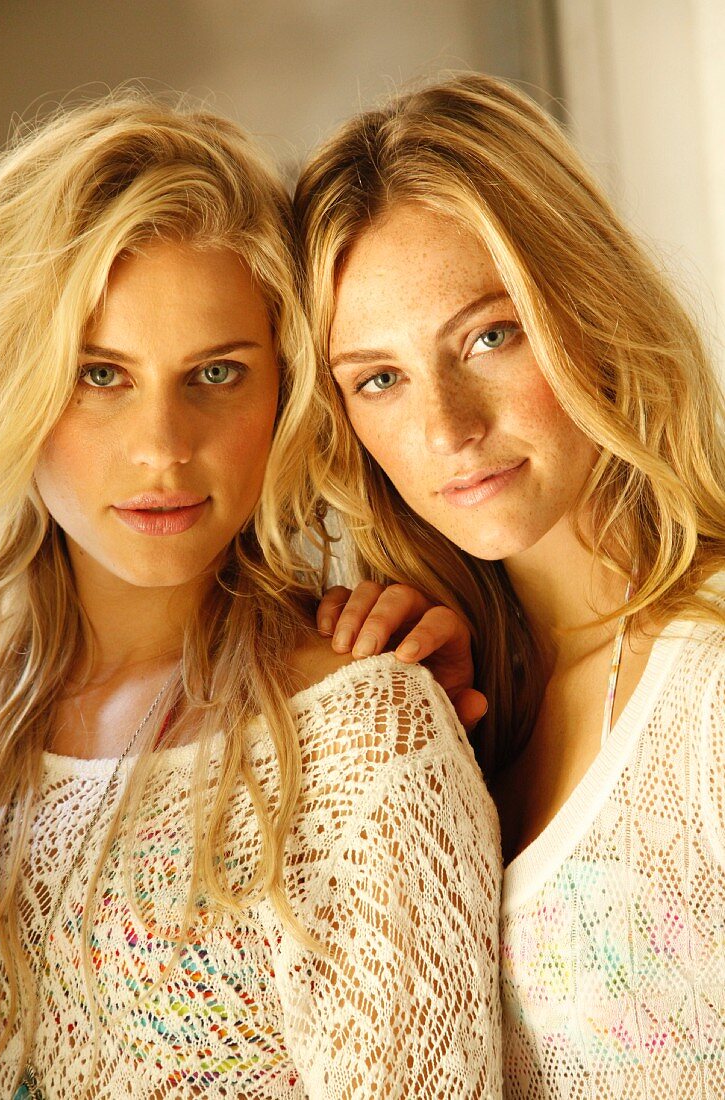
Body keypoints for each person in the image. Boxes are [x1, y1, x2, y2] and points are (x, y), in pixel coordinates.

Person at [0, 95, 503, 1099]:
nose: (163, 447)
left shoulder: (363, 728)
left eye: (216, 372)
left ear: (287, 389)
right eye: (101, 373)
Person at [294, 74, 725, 1098]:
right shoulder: (457, 696)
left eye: (488, 334)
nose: (445, 425)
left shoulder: (706, 677)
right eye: (378, 378)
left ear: (588, 306)